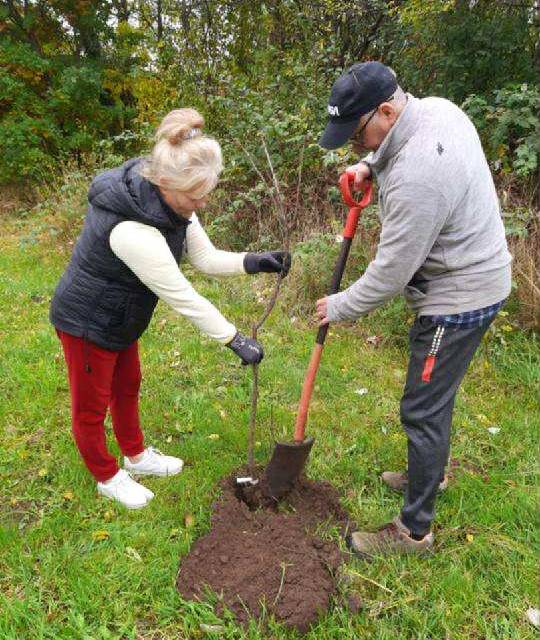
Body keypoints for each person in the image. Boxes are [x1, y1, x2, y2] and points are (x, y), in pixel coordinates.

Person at [50, 108, 290, 510]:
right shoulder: (133, 230)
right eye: (196, 196)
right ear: (165, 183)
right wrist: (234, 339)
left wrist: (254, 261)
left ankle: (136, 455)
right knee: (91, 406)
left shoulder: (176, 205)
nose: (202, 203)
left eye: (206, 193)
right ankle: (107, 476)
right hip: (87, 321)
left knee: (128, 385)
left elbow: (206, 258)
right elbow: (182, 295)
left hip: (121, 317)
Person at [317, 62, 511, 556]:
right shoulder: (435, 111)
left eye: (357, 137)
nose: (354, 146)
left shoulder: (418, 175)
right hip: (478, 274)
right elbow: (393, 148)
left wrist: (338, 306)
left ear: (385, 110)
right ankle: (431, 472)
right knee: (435, 396)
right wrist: (369, 165)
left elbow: (391, 273)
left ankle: (413, 532)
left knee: (422, 407)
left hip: (458, 297)